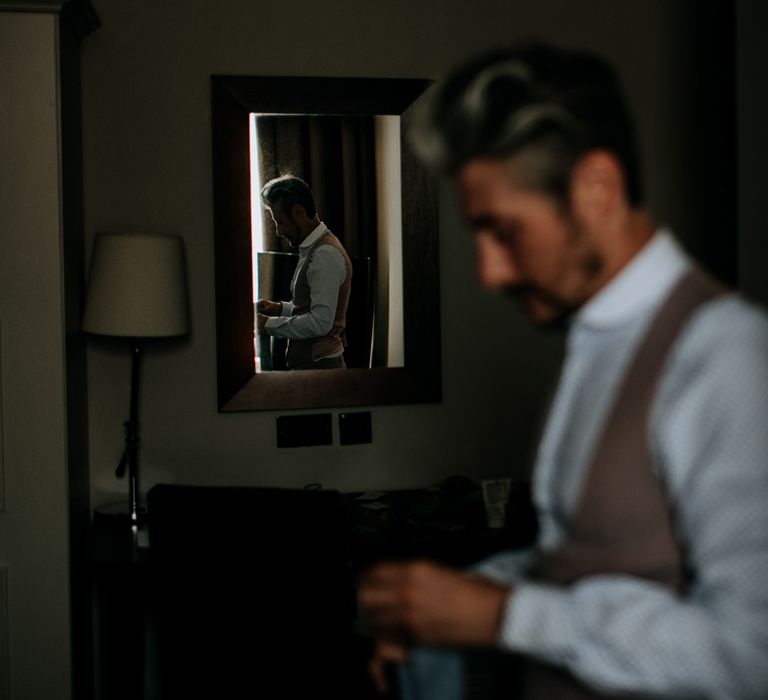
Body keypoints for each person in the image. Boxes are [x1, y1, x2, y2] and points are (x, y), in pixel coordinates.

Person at [358, 43, 768, 699]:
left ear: (597, 188)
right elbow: (586, 561)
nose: (489, 274)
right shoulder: (596, 342)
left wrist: (502, 616)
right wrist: (441, 605)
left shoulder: (725, 357)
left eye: (504, 231)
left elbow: (751, 657)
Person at [257, 175, 352, 369]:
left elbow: (320, 323)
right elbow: (311, 307)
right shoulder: (314, 249)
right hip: (314, 366)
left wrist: (269, 324)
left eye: (280, 221)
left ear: (298, 212)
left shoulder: (325, 254)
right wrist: (279, 309)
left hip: (321, 369)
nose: (278, 231)